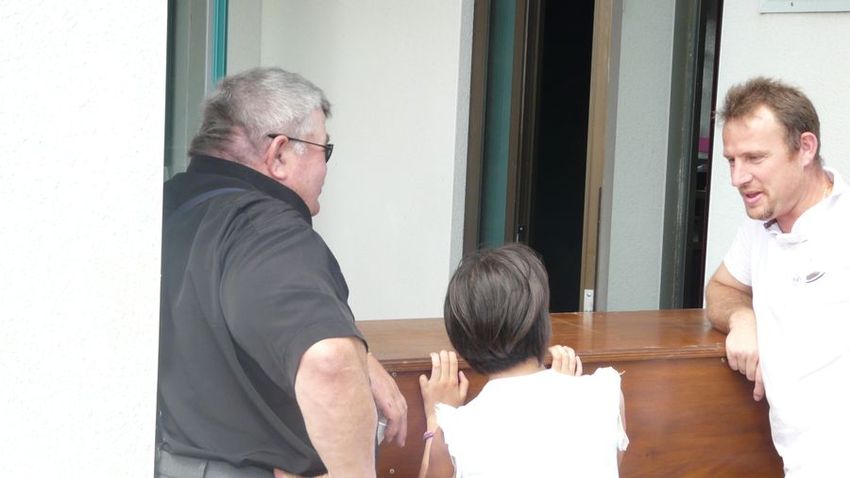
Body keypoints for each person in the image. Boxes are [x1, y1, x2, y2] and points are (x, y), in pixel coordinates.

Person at [157, 67, 407, 478]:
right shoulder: (269, 233)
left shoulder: (165, 211)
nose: (326, 168)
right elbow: (328, 361)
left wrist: (360, 357)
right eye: (324, 149)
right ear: (279, 155)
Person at [706, 77, 849, 476]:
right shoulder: (758, 226)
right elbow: (721, 287)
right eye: (732, 161)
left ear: (805, 148)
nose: (737, 178)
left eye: (754, 158)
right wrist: (743, 320)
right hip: (797, 462)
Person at [417, 244, 628, 478]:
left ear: (460, 344)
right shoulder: (605, 395)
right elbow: (608, 464)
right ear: (543, 325)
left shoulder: (454, 433)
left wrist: (436, 416)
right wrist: (561, 387)